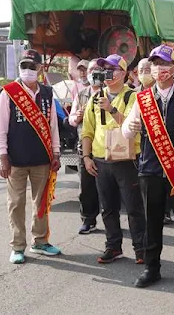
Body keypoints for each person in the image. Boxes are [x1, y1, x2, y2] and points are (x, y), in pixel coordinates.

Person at [121, 45, 174, 290]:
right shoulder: (142, 98)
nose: (159, 69)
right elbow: (126, 130)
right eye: (155, 64)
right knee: (151, 222)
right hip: (150, 169)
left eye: (164, 64)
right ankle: (151, 268)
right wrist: (129, 128)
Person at [0, 49, 62, 264]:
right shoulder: (9, 93)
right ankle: (17, 246)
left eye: (32, 66)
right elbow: (1, 128)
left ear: (40, 69)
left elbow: (53, 128)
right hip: (16, 160)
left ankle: (40, 241)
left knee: (41, 202)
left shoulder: (48, 93)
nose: (27, 70)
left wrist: (56, 153)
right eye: (24, 66)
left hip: (42, 158)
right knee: (16, 203)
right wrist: (3, 156)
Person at [81, 54, 146, 264]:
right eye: (105, 69)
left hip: (126, 160)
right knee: (107, 207)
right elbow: (87, 130)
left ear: (125, 73)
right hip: (101, 160)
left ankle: (141, 248)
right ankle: (113, 246)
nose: (108, 73)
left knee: (134, 207)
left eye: (113, 69)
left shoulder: (133, 97)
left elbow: (132, 127)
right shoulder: (94, 97)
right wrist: (86, 157)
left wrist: (111, 108)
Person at [69, 59, 103, 234]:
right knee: (86, 186)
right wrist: (77, 116)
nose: (93, 73)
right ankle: (88, 219)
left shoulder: (110, 92)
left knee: (109, 188)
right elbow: (71, 119)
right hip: (86, 146)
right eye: (91, 70)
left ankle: (112, 223)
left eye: (98, 70)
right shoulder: (82, 94)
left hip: (107, 147)